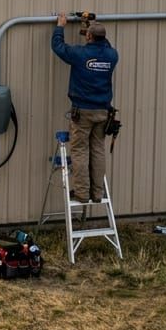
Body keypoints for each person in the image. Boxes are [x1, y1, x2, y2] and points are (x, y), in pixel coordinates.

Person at [50, 12, 119, 204]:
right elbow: (103, 47)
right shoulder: (112, 56)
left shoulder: (80, 54)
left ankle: (81, 193)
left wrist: (60, 26)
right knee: (97, 150)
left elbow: (58, 47)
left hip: (83, 112)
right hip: (103, 112)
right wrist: (92, 28)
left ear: (89, 37)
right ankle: (97, 194)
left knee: (80, 150)